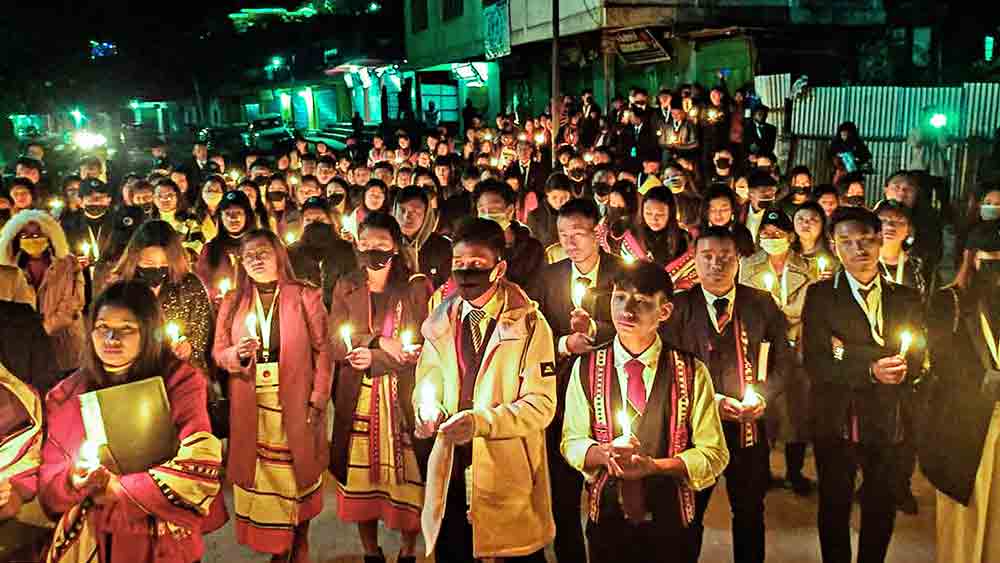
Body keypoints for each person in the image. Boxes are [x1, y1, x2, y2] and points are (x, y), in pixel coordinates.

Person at [39, 281, 223, 563]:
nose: (111, 338)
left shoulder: (180, 382)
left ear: (148, 332)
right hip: (96, 540)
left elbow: (198, 466)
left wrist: (117, 489)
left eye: (126, 329)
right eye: (102, 327)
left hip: (161, 543)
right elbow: (49, 489)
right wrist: (74, 481)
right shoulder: (65, 396)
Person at [561, 259, 729, 562]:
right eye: (619, 297)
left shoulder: (691, 372)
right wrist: (603, 454)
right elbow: (571, 441)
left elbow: (714, 453)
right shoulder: (586, 368)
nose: (627, 310)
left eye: (642, 302)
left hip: (673, 522)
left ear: (664, 311)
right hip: (608, 521)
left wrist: (655, 466)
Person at [413, 217, 556, 562]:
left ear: (499, 267)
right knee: (454, 547)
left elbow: (541, 404)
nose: (465, 272)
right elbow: (427, 377)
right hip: (453, 462)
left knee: (512, 550)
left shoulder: (530, 325)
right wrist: (426, 409)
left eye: (476, 264)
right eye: (458, 264)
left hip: (505, 466)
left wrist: (482, 423)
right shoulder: (440, 319)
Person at [801, 206, 924, 563]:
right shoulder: (822, 296)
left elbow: (916, 352)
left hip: (889, 417)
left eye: (867, 239)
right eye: (847, 241)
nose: (859, 249)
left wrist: (848, 351)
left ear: (879, 239)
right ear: (834, 246)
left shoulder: (905, 296)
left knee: (881, 504)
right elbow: (817, 361)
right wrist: (870, 367)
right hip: (836, 418)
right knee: (835, 505)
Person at [664, 226, 791, 563]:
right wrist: (712, 402)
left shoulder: (761, 305)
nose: (716, 264)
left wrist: (762, 396)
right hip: (694, 431)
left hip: (750, 430)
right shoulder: (678, 307)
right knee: (688, 512)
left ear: (739, 260)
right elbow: (665, 367)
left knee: (749, 513)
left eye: (725, 257)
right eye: (707, 256)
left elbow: (785, 363)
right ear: (694, 260)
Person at [212, 229, 332, 563]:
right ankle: (280, 553)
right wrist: (237, 353)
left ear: (279, 254)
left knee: (299, 480)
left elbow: (324, 350)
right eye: (248, 254)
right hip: (253, 410)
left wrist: (319, 397)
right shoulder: (234, 300)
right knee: (267, 490)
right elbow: (219, 351)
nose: (256, 259)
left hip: (296, 404)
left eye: (263, 251)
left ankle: (299, 545)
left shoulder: (304, 295)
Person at [328, 212, 432, 563]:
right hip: (357, 397)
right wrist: (379, 342)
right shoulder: (346, 284)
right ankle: (371, 552)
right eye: (367, 243)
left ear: (395, 245)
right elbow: (334, 341)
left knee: (409, 477)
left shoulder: (415, 287)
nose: (373, 250)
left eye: (381, 244)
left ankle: (407, 551)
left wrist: (374, 354)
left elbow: (419, 347)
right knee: (360, 481)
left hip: (400, 397)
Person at [528, 198, 623, 563]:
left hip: (611, 392)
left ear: (597, 231)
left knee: (611, 488)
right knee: (564, 492)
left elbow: (642, 327)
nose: (569, 242)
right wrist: (563, 343)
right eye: (563, 235)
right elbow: (533, 333)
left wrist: (597, 330)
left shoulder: (623, 275)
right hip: (562, 392)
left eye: (578, 234)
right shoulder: (549, 278)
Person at [921, 220, 1000, 563]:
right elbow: (940, 363)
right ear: (971, 257)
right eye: (992, 260)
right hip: (964, 427)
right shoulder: (948, 302)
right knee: (965, 524)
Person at [739, 209, 818, 496]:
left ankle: (795, 473)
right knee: (764, 410)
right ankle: (761, 471)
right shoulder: (748, 266)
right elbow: (746, 305)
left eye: (778, 234)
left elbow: (812, 307)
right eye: (766, 235)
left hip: (797, 345)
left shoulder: (807, 268)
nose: (771, 239)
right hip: (764, 348)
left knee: (797, 413)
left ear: (791, 237)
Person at [112, 220, 214, 373]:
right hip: (136, 374)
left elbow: (201, 330)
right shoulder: (121, 290)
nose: (157, 269)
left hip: (182, 374)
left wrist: (189, 347)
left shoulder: (189, 286)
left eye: (164, 263)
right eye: (149, 262)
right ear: (135, 258)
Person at [0, 209, 85, 372]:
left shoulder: (68, 264)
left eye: (37, 235)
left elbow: (73, 304)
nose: (33, 240)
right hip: (23, 349)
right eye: (25, 236)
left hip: (64, 343)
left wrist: (42, 329)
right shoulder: (7, 271)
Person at [287, 197, 358, 309]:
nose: (314, 224)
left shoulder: (347, 250)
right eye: (308, 220)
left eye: (320, 219)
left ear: (331, 221)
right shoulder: (291, 253)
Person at [474, 179, 545, 289]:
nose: (487, 215)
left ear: (510, 210)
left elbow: (538, 290)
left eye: (494, 210)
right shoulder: (473, 249)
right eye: (482, 210)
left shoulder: (532, 249)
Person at [196, 190, 256, 302]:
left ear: (247, 216)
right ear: (221, 217)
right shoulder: (211, 249)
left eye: (238, 213)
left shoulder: (258, 246)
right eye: (227, 214)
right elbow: (202, 283)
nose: (232, 218)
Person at [394, 186, 452, 289]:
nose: (406, 217)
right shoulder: (386, 244)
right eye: (402, 210)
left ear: (426, 215)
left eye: (416, 212)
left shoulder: (443, 248)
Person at [701, 186, 755, 257]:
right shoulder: (700, 233)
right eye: (713, 210)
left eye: (724, 209)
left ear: (732, 209)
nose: (718, 215)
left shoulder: (742, 234)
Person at [792, 201, 838, 280]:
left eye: (813, 219)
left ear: (822, 224)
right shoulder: (787, 253)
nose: (806, 223)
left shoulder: (834, 254)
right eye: (800, 219)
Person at [528, 173, 573, 249]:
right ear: (547, 194)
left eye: (564, 197)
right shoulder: (534, 216)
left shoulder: (577, 213)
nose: (559, 202)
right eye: (554, 197)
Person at [740, 171, 778, 242]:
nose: (768, 196)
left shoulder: (777, 214)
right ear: (750, 194)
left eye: (771, 191)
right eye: (763, 191)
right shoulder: (738, 211)